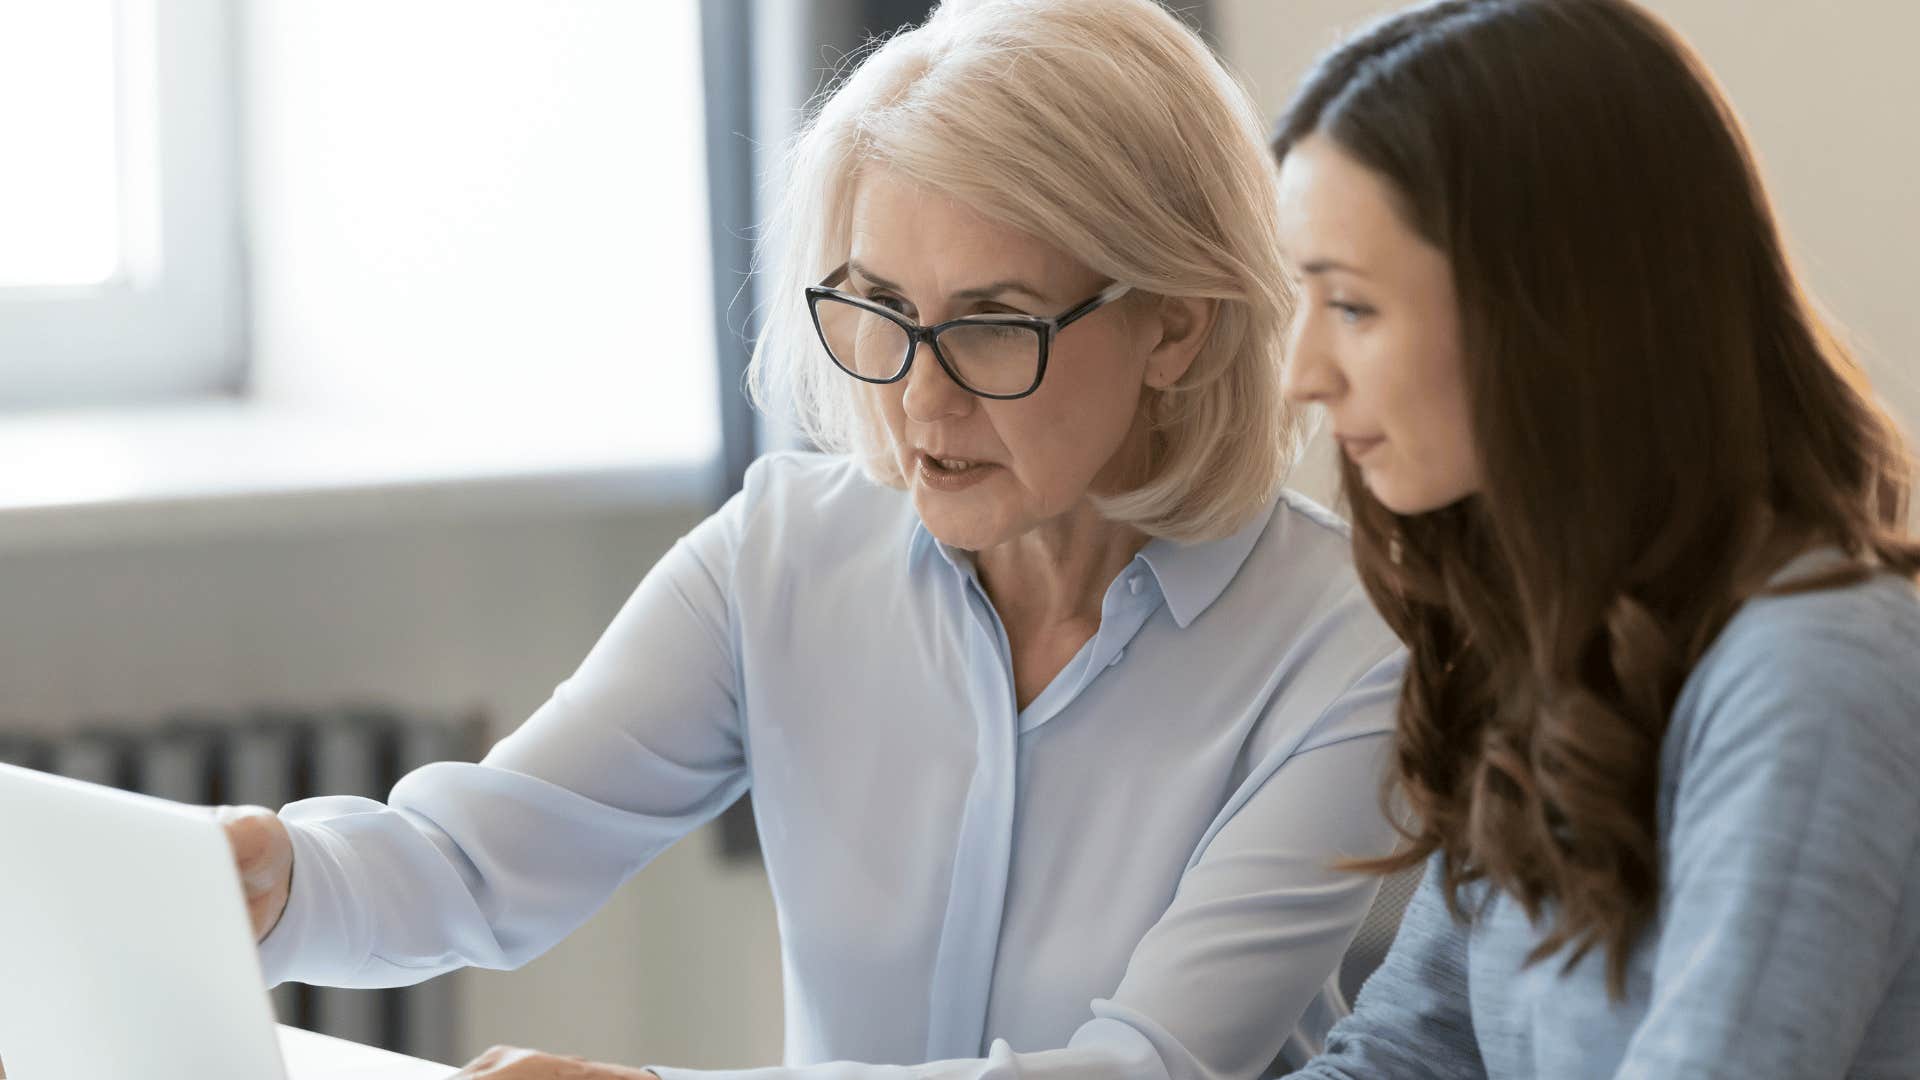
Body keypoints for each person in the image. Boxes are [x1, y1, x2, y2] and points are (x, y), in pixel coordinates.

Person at [217, 1, 1408, 1077]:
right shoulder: (780, 555)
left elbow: (1144, 1071)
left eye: (993, 326)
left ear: (1178, 330)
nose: (920, 405)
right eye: (881, 308)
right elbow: (474, 860)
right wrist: (279, 879)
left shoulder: (1349, 649)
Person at [1267, 1, 1920, 1077]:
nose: (1302, 374)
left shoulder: (1816, 670)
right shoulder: (1564, 650)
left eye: (1352, 307)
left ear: (1545, 315)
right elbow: (1405, 1054)